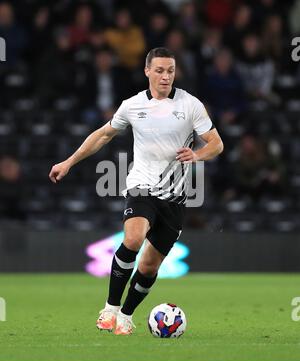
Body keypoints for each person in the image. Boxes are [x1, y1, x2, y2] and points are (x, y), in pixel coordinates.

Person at [49, 47, 224, 335]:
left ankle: (126, 316)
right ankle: (110, 309)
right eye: (159, 70)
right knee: (133, 237)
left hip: (175, 198)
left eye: (170, 70)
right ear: (147, 71)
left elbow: (216, 143)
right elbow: (103, 135)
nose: (165, 76)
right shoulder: (132, 106)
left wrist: (198, 155)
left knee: (149, 266)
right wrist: (68, 162)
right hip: (141, 186)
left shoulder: (191, 105)